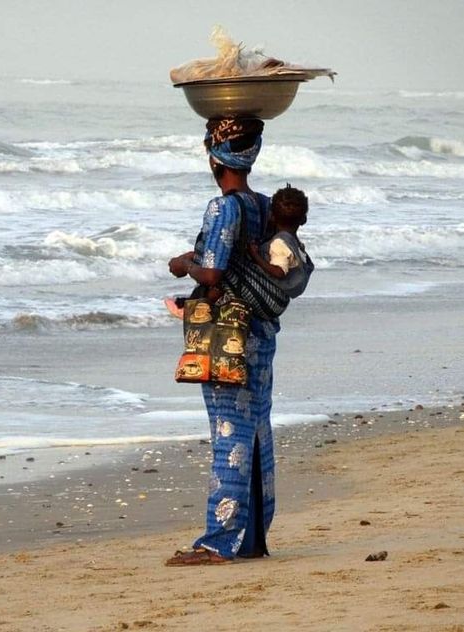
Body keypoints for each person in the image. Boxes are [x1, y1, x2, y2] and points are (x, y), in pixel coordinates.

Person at [166, 117, 278, 565]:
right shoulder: (266, 206)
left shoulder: (222, 207)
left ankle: (219, 541)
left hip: (227, 335)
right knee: (256, 431)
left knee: (228, 431)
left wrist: (183, 265)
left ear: (214, 157)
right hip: (261, 330)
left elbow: (212, 271)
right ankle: (252, 537)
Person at [248, 184, 314, 299]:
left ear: (272, 217)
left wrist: (255, 256)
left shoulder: (279, 243)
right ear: (303, 220)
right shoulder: (293, 241)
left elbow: (279, 272)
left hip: (280, 286)